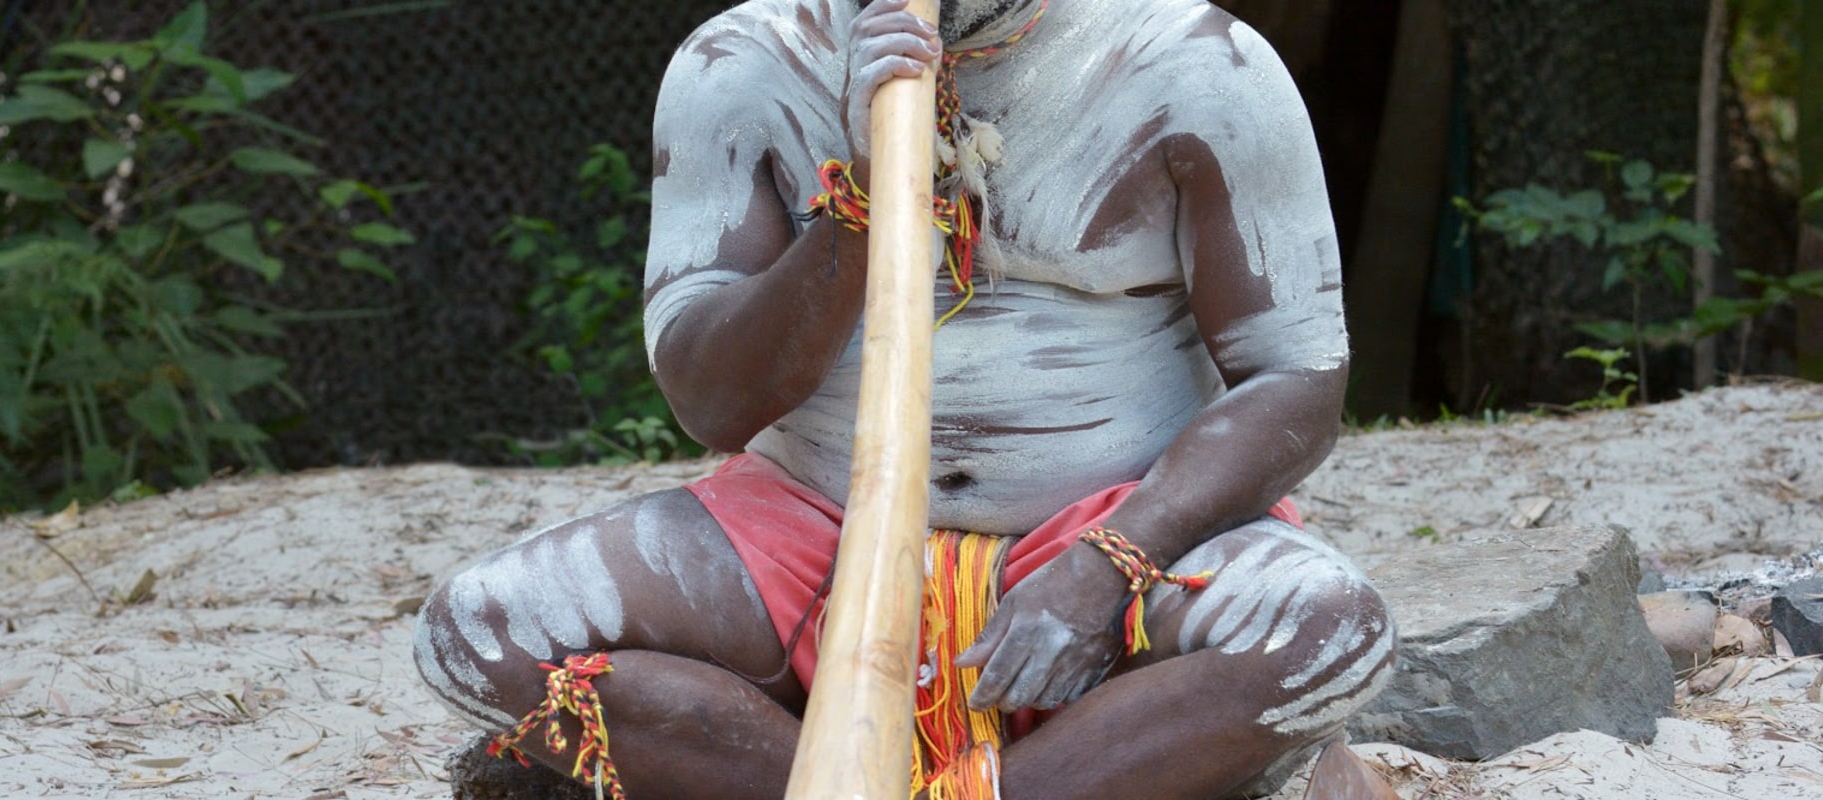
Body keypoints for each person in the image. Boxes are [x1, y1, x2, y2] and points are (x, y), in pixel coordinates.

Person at [413, 1, 1394, 797]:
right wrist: (862, 198)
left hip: (1111, 525)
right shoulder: (740, 65)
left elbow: (1296, 382)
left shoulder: (1198, 62)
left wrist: (1110, 564)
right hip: (808, 529)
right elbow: (712, 403)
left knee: (1334, 629)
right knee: (477, 634)